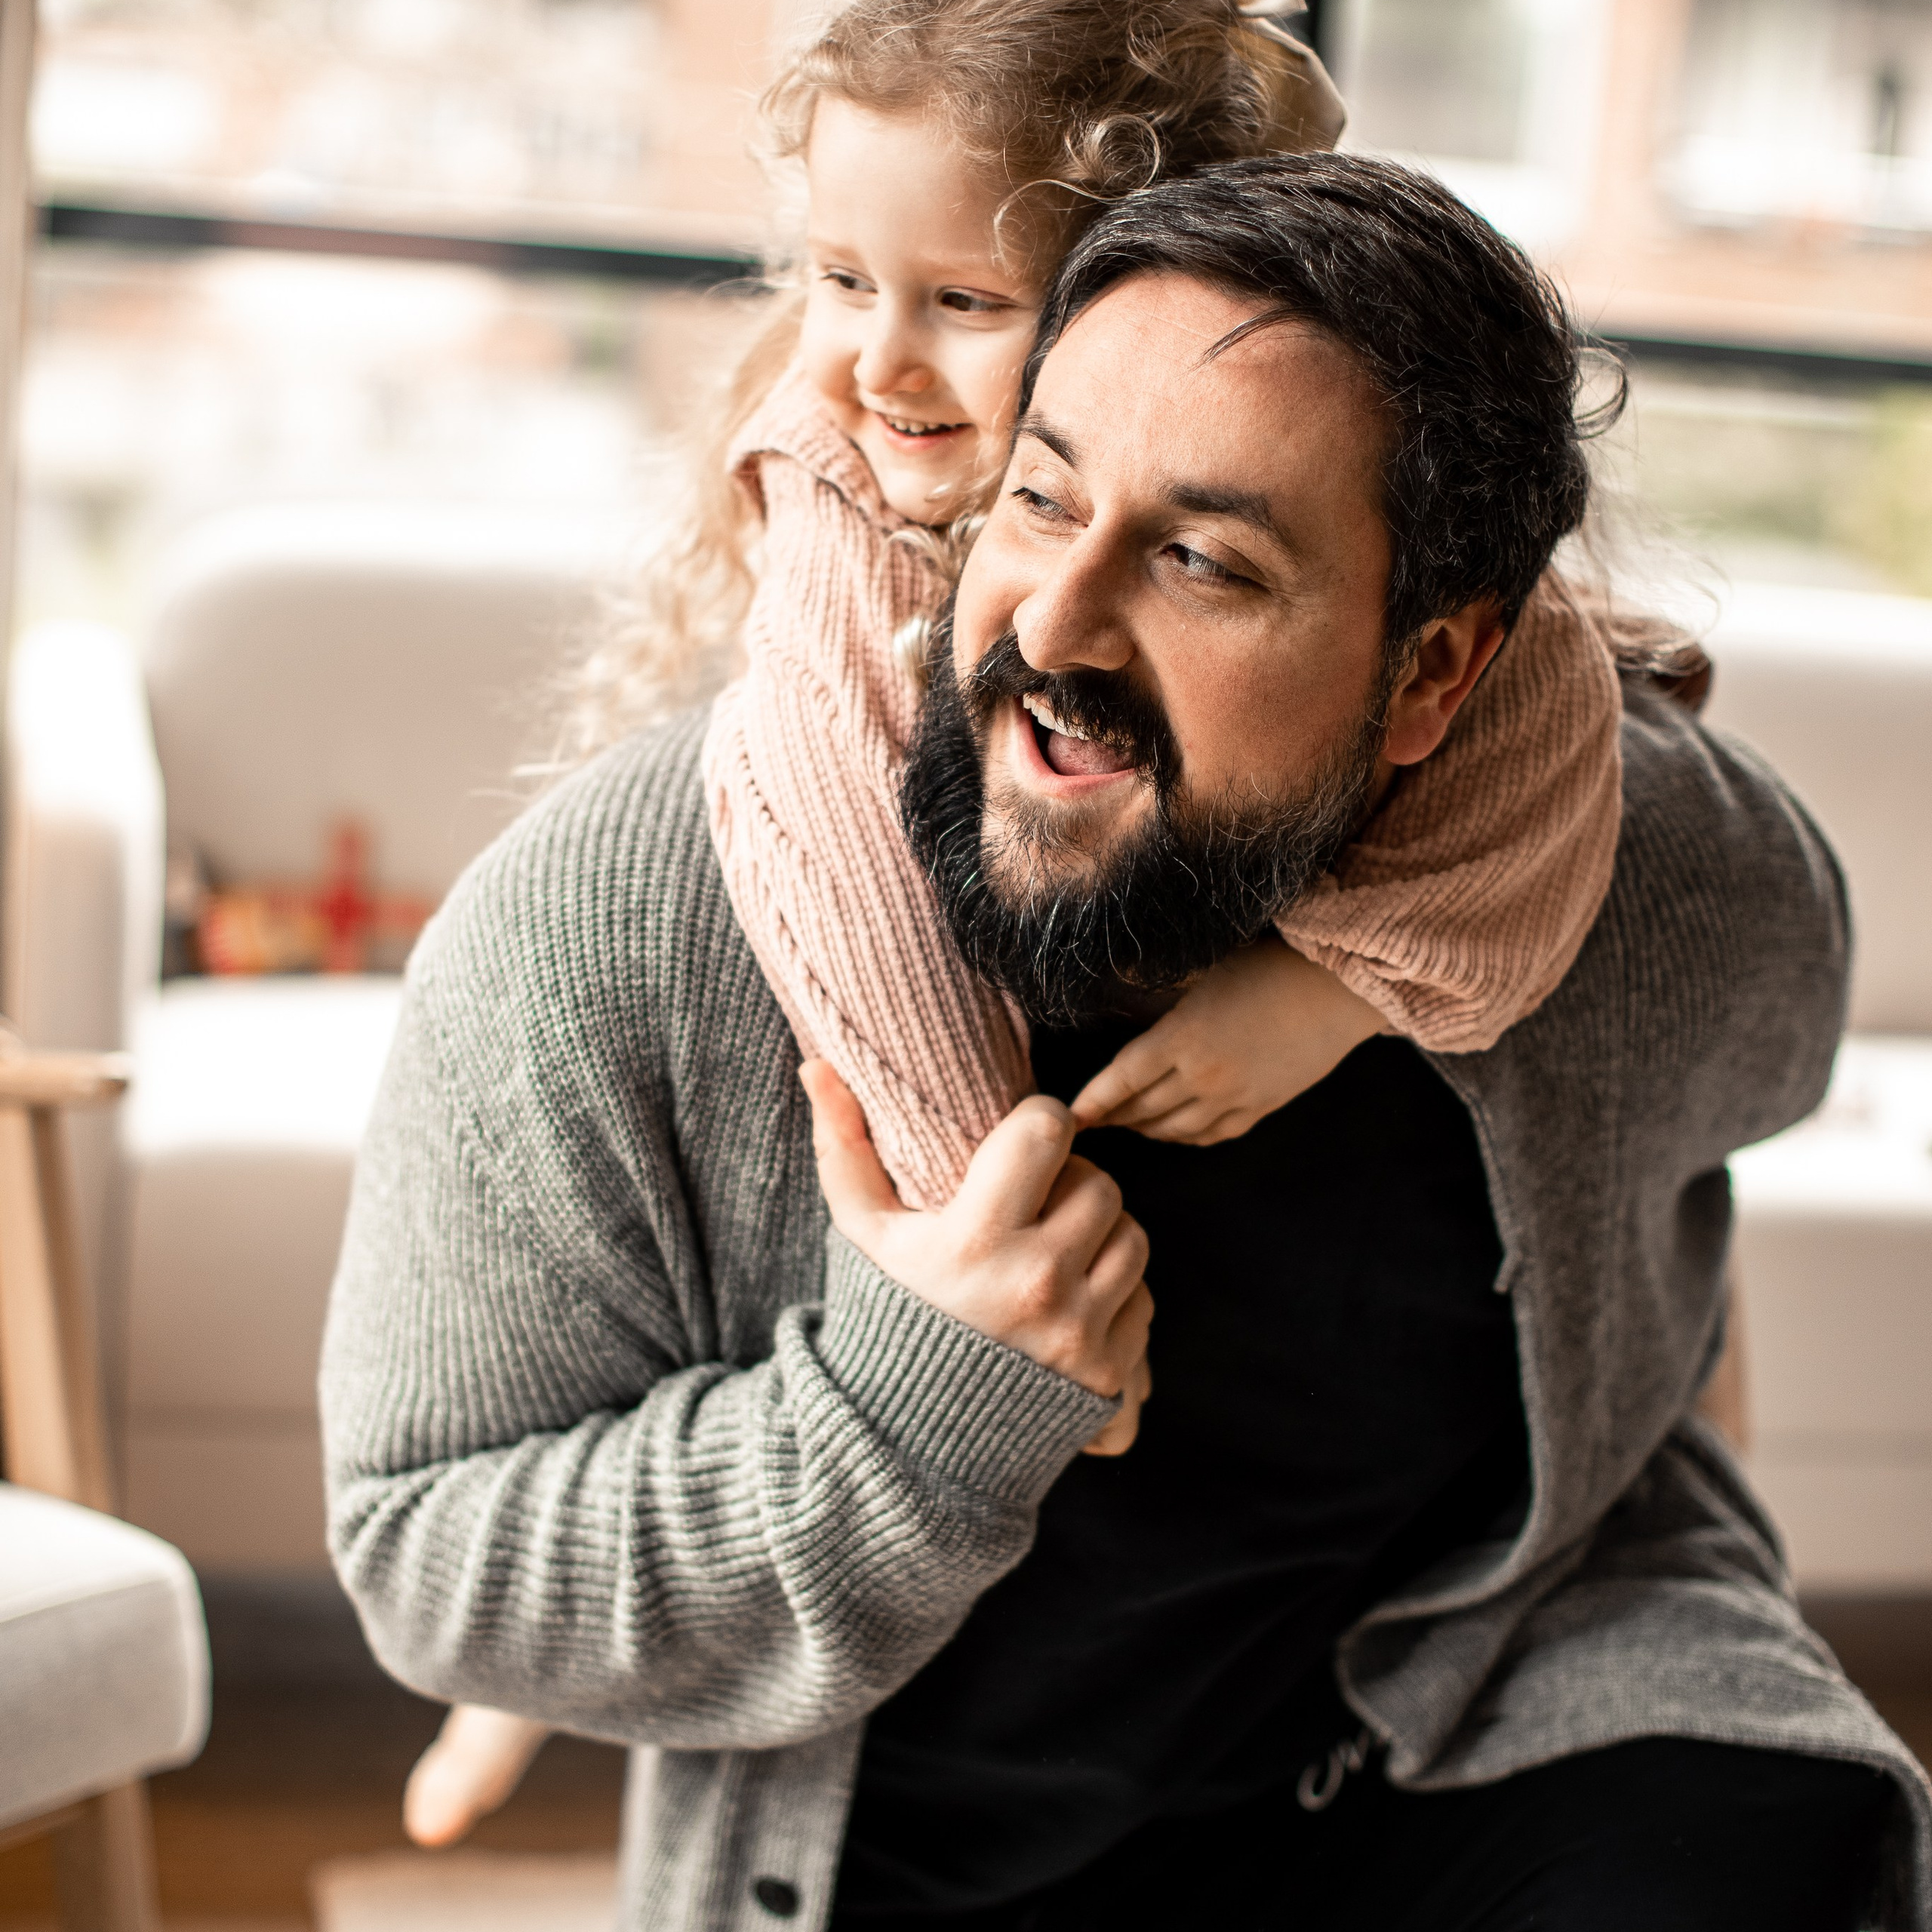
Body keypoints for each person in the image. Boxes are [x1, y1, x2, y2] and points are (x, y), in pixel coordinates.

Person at [321, 154, 1931, 1929]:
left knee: (1783, 1851)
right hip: (937, 1850)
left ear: (1430, 678)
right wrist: (907, 1412)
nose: (1056, 626)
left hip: (1469, 1732)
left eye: (1201, 561)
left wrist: (1393, 965)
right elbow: (434, 1566)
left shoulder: (1613, 857)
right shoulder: (627, 920)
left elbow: (1781, 1019)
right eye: (1038, 498)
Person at [403, 0, 1626, 1844]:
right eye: (832, 278)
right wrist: (987, 1254)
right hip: (802, 994)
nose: (874, 363)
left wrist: (1333, 988)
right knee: (533, 1632)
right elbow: (853, 886)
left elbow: (1568, 735)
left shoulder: (1489, 674)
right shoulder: (826, 493)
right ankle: (506, 1722)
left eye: (966, 304)